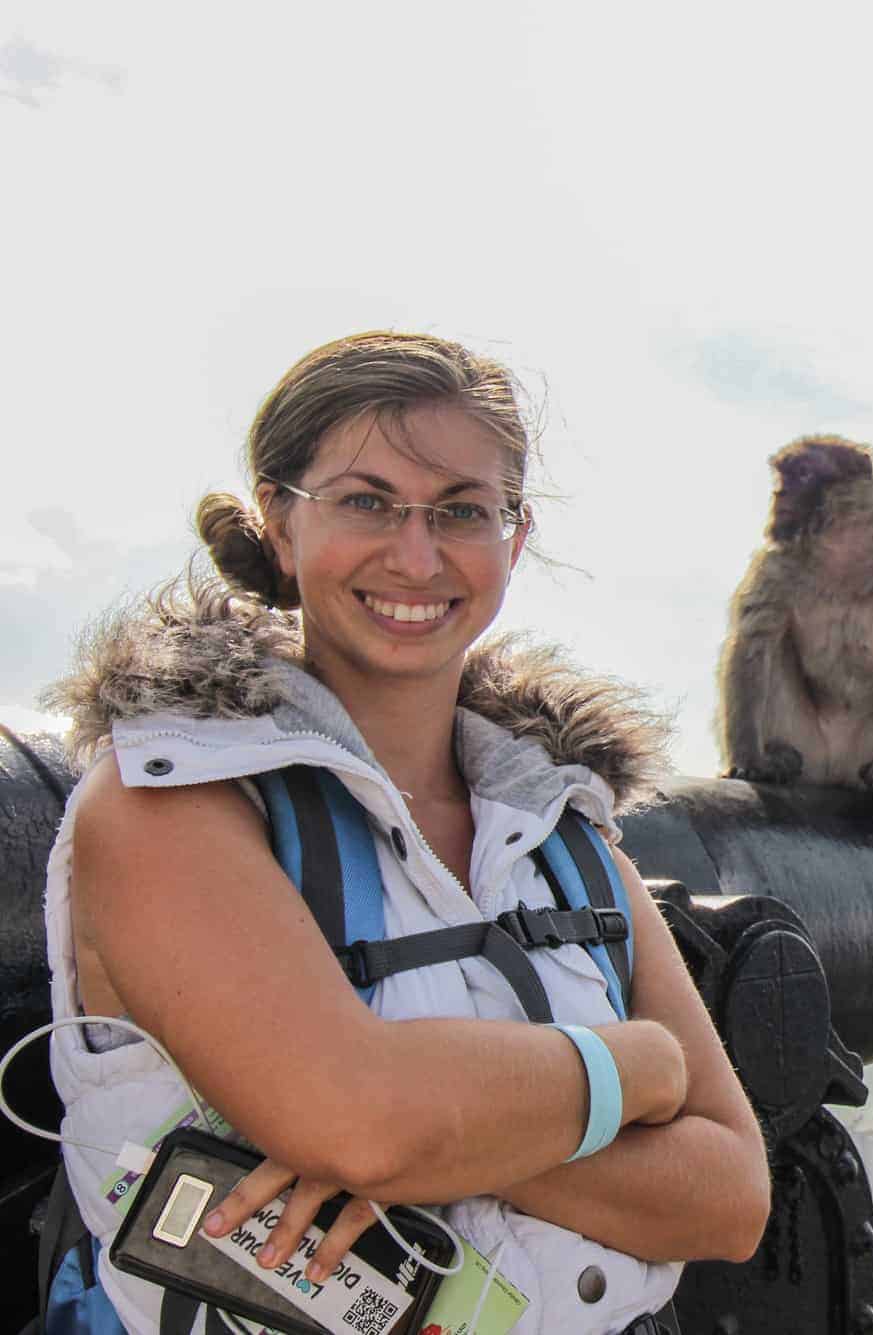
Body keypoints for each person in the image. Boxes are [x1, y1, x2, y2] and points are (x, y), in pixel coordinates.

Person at [38, 331, 769, 1334]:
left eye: (462, 511)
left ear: (512, 540)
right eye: (366, 502)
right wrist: (639, 1069)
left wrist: (431, 1127)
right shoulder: (171, 801)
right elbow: (364, 1124)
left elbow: (730, 1199)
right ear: (280, 524)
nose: (416, 556)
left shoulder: (564, 831)